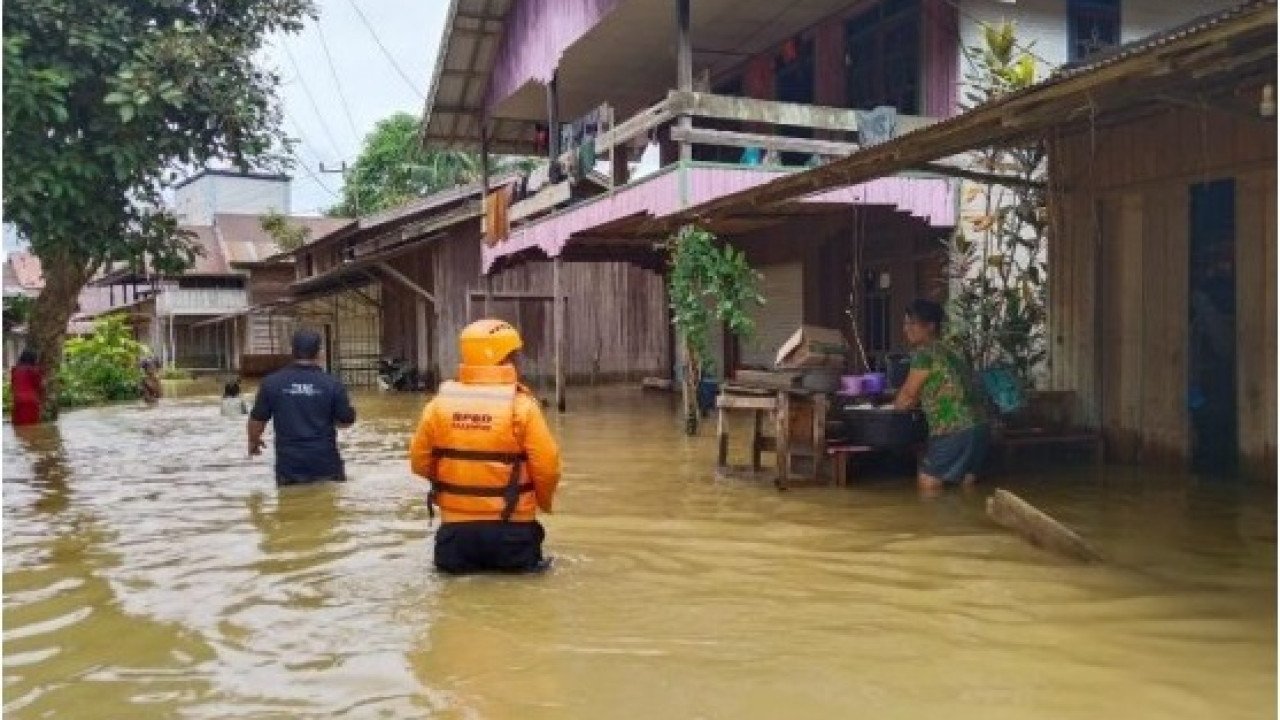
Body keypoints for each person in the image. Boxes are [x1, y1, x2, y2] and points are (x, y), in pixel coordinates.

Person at [409, 319, 561, 574]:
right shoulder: (522, 407)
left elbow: (419, 462)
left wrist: (458, 488)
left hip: (456, 538)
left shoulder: (437, 407)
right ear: (507, 359)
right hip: (513, 534)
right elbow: (547, 467)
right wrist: (542, 504)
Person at [892, 299, 990, 495]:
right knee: (966, 486)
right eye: (905, 324)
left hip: (952, 429)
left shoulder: (924, 354)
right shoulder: (953, 351)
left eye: (912, 323)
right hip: (979, 427)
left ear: (930, 326)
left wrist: (893, 407)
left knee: (928, 485)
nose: (906, 329)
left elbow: (907, 397)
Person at [248, 329, 356, 486]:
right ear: (319, 353)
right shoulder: (332, 384)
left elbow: (257, 420)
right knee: (328, 505)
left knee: (290, 505)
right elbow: (346, 422)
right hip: (325, 463)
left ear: (292, 351)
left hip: (290, 466)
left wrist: (253, 441)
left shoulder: (271, 383)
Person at [9, 349, 44, 425]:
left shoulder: (14, 370)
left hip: (17, 401)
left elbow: (13, 386)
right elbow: (39, 387)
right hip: (31, 401)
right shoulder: (34, 370)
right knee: (32, 428)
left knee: (18, 427)